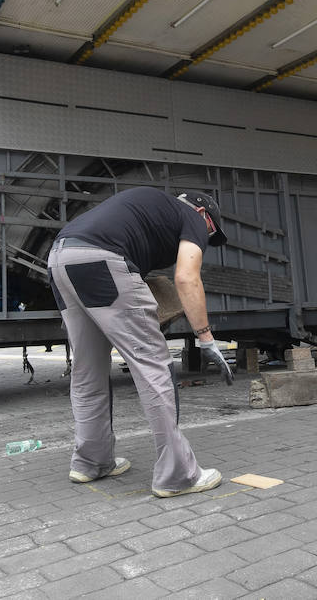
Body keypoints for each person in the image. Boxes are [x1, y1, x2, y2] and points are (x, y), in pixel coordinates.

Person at [48, 188, 233, 498]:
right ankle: (178, 475)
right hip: (103, 259)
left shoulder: (149, 209)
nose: (206, 240)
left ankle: (91, 462)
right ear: (203, 214)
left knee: (87, 369)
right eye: (211, 233)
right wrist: (206, 339)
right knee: (153, 365)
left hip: (60, 260)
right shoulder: (192, 217)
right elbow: (187, 278)